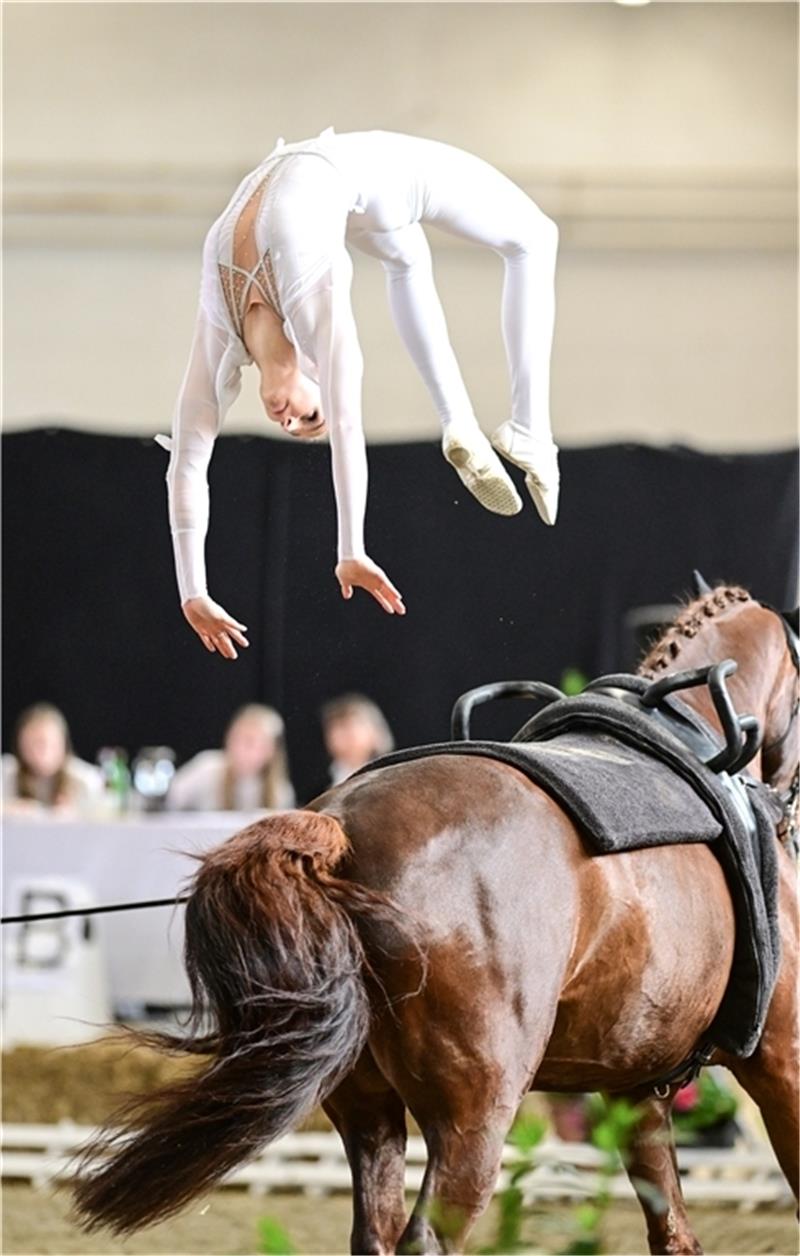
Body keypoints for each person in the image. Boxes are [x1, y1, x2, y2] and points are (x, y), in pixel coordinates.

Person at [160, 128, 560, 660]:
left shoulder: (220, 330)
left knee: (465, 247)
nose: (291, 421)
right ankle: (489, 425)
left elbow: (193, 464)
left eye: (299, 426)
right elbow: (340, 428)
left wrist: (195, 590)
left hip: (351, 178)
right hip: (359, 177)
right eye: (309, 419)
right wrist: (349, 548)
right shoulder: (316, 312)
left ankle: (512, 428)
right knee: (479, 245)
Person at [167, 704, 295, 811]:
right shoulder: (206, 768)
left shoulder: (280, 792)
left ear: (270, 751)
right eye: (236, 739)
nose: (239, 749)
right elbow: (169, 803)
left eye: (250, 743)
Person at [2, 703, 104, 814]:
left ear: (62, 743)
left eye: (46, 743)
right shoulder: (6, 773)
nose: (39, 752)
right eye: (32, 743)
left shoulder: (86, 780)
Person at [320, 693, 395, 788]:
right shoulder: (319, 790)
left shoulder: (393, 777)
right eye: (336, 728)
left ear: (375, 733)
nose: (343, 735)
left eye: (349, 726)